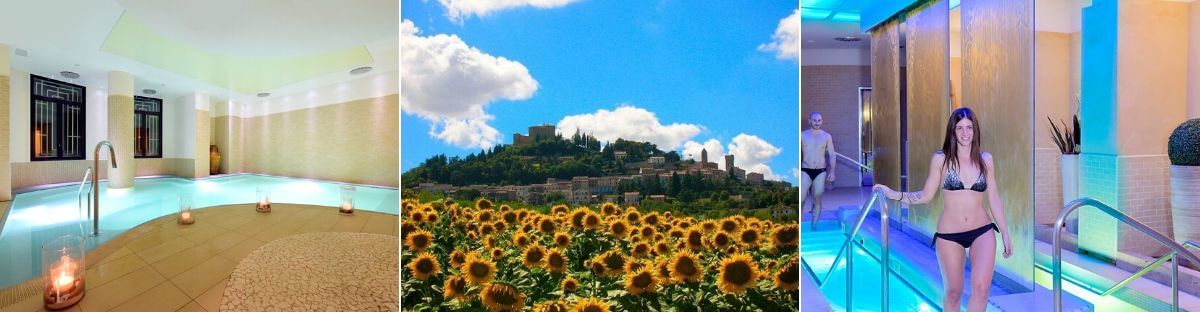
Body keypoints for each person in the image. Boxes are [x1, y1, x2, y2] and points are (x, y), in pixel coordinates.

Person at [873, 107, 1013, 312]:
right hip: (949, 235)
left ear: (975, 131)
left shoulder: (986, 160)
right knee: (954, 292)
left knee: (982, 290)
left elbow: (994, 198)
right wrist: (894, 194)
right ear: (952, 131)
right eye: (959, 128)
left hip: (982, 231)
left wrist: (1006, 234)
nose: (965, 133)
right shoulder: (941, 159)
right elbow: (926, 196)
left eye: (969, 128)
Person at [801, 112, 835, 230]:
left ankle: (814, 227)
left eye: (819, 120)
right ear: (810, 121)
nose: (817, 123)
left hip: (820, 171)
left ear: (822, 121)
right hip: (805, 169)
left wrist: (832, 171)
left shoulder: (826, 136)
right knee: (801, 198)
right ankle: (799, 226)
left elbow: (832, 154)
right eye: (815, 120)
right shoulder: (803, 135)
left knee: (817, 198)